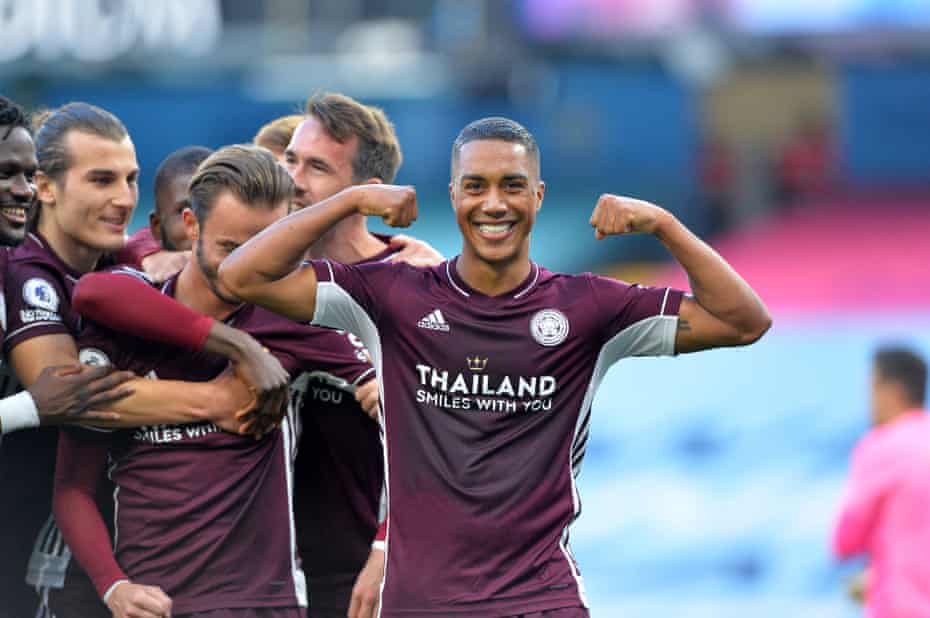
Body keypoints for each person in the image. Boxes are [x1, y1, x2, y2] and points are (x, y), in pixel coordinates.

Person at [219, 116, 772, 617]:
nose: (494, 204)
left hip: (540, 599)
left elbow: (744, 321)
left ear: (537, 195)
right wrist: (348, 203)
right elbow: (242, 276)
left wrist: (665, 226)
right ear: (455, 194)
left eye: (511, 186)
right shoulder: (392, 296)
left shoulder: (588, 309)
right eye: (476, 186)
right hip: (419, 603)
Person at [55, 144, 375, 618]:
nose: (242, 267)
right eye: (229, 248)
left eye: (263, 246)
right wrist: (113, 586)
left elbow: (411, 423)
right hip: (153, 605)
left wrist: (385, 550)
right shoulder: (128, 317)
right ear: (191, 226)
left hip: (265, 605)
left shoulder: (296, 319)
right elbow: (72, 489)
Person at [4, 102, 284, 618]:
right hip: (24, 534)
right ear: (45, 187)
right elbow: (69, 394)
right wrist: (219, 394)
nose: (122, 199)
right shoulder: (26, 270)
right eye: (102, 180)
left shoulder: (118, 256)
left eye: (131, 179)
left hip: (93, 533)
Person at [282, 93, 447, 618]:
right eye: (290, 159)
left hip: (383, 581)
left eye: (317, 167)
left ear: (367, 195)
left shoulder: (421, 288)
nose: (294, 180)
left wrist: (385, 546)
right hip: (271, 583)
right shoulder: (254, 278)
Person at [833, 347, 930, 618]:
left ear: (893, 391)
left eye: (872, 387)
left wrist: (875, 578)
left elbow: (845, 540)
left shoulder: (880, 448)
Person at [114, 145, 212, 281]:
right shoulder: (127, 283)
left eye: (212, 207)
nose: (202, 223)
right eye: (184, 211)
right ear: (157, 226)